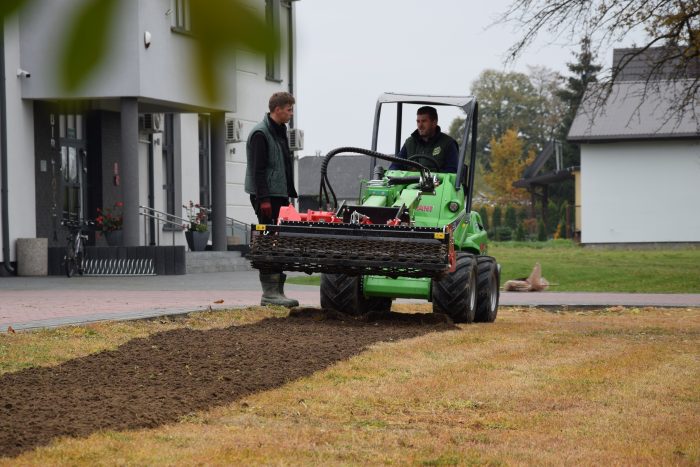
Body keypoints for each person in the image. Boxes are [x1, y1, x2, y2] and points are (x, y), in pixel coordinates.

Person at [244, 92, 299, 308]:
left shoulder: (279, 131)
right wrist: (264, 199)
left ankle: (277, 291)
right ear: (277, 109)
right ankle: (269, 293)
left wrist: (288, 197)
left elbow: (284, 166)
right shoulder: (260, 133)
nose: (291, 113)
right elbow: (258, 170)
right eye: (289, 109)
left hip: (279, 195)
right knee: (268, 240)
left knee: (276, 240)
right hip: (265, 197)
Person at [389, 106, 459, 173]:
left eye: (424, 121)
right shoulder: (409, 143)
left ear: (434, 123)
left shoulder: (448, 144)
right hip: (408, 184)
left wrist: (430, 177)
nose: (420, 125)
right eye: (418, 121)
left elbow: (452, 173)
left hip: (437, 185)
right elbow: (395, 166)